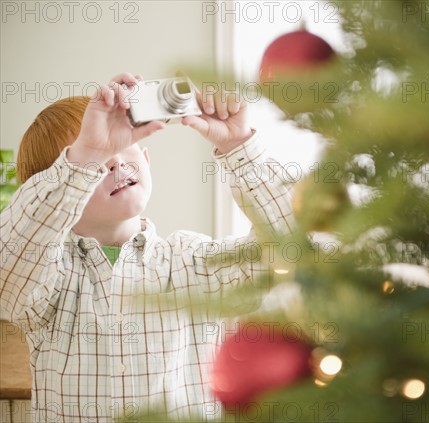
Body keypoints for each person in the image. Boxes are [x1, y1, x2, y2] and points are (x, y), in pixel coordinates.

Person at [0, 72, 294, 421]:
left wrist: (239, 146)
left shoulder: (193, 261)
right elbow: (12, 261)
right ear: (61, 190)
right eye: (96, 157)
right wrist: (85, 156)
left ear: (146, 156)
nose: (114, 162)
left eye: (119, 145)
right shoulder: (49, 281)